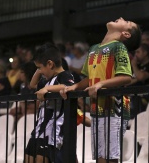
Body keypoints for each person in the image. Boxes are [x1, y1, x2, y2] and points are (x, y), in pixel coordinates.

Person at [60, 17, 141, 163]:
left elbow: (125, 77)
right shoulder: (93, 49)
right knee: (100, 156)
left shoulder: (119, 47)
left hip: (115, 108)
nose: (121, 18)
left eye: (127, 22)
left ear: (126, 34)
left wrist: (100, 84)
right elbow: (90, 78)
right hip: (96, 107)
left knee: (111, 156)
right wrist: (75, 87)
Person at [25, 43, 75, 163]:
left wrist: (48, 89)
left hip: (53, 131)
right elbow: (32, 85)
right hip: (39, 129)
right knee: (29, 157)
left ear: (50, 64)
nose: (40, 71)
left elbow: (68, 86)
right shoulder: (45, 81)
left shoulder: (65, 75)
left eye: (40, 68)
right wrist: (39, 68)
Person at [127, 43, 149, 117]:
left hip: (144, 96)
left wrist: (134, 65)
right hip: (130, 94)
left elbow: (141, 77)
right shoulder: (138, 66)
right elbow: (128, 81)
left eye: (138, 52)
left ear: (145, 53)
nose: (135, 55)